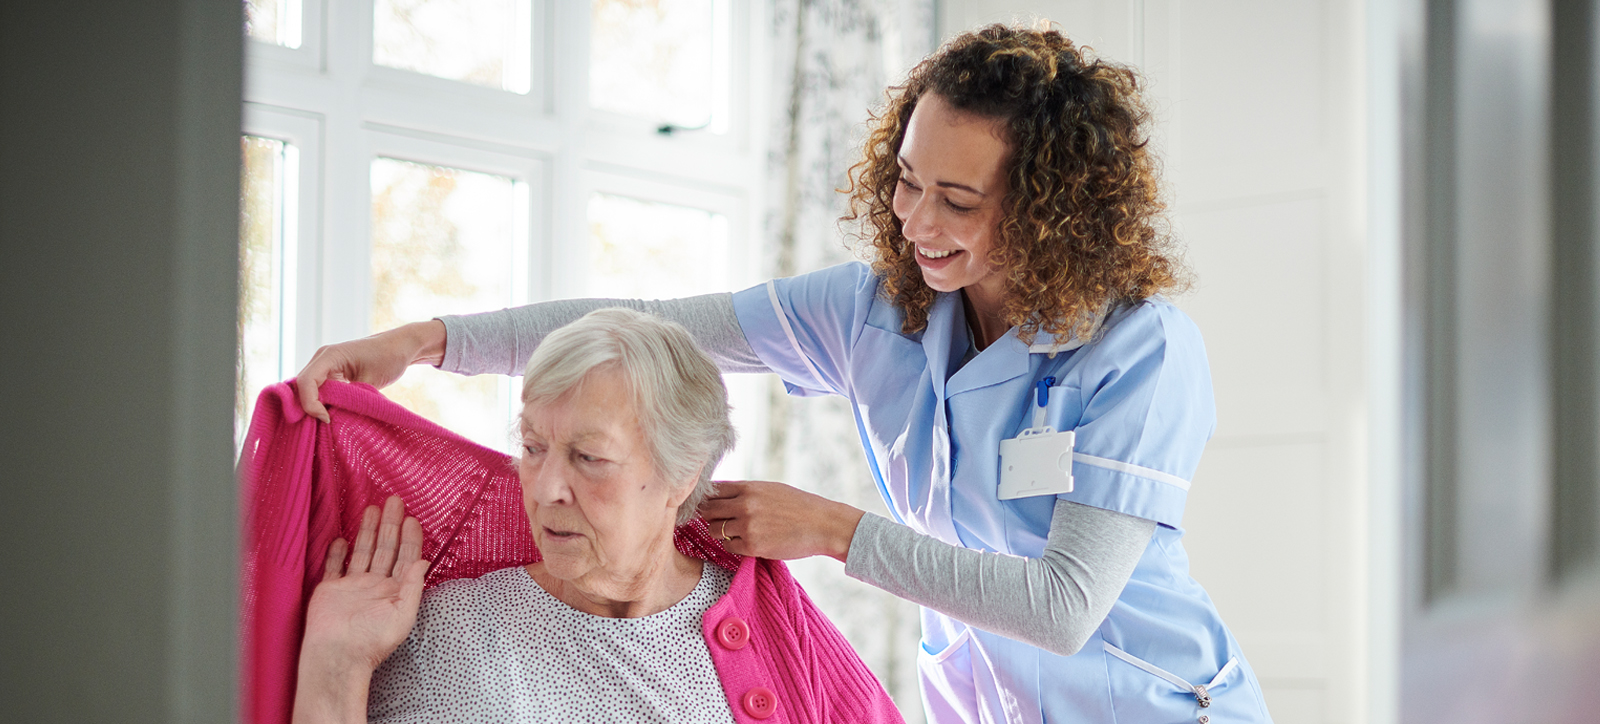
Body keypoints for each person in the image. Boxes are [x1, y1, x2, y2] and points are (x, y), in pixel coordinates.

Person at [296, 25, 1273, 724]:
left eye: (958, 201)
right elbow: (646, 325)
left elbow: (1063, 609)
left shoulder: (1138, 352)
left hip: (1149, 700)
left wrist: (831, 531)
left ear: (1050, 207)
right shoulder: (871, 313)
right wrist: (426, 340)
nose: (917, 223)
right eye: (905, 181)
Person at [288, 309, 903, 723]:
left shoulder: (771, 626)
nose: (547, 486)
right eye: (532, 447)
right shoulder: (444, 629)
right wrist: (335, 665)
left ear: (681, 473)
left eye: (589, 457)